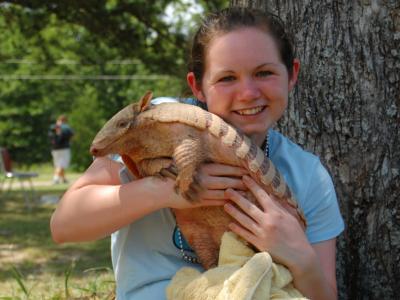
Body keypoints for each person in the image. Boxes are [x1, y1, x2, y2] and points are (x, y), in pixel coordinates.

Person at [50, 7, 344, 300]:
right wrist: (164, 190)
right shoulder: (160, 124)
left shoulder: (308, 175)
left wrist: (299, 255)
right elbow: (64, 226)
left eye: (264, 73)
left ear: (291, 74)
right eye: (227, 78)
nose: (248, 92)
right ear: (198, 86)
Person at [48, 114, 74, 184]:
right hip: (64, 148)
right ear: (65, 120)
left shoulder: (52, 127)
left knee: (58, 165)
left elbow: (50, 136)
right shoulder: (66, 127)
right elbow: (72, 135)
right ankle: (55, 178)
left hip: (54, 149)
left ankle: (64, 179)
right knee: (61, 165)